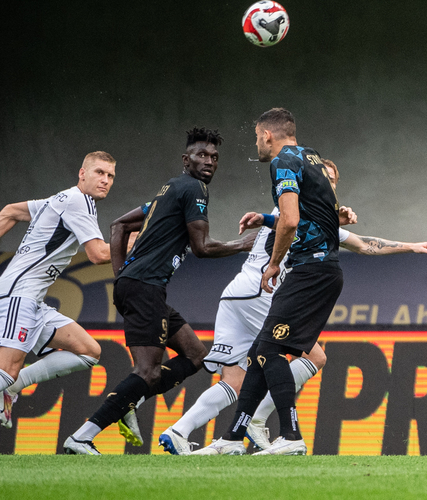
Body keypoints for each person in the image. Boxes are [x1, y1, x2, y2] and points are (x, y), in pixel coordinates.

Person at [159, 161, 427, 454]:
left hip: (236, 294)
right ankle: (259, 419)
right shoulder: (296, 205)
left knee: (235, 380)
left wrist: (410, 245)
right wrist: (333, 219)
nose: (326, 183)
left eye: (331, 180)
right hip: (261, 291)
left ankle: (178, 432)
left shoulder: (313, 215)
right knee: (313, 356)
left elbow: (362, 244)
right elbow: (295, 224)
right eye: (322, 177)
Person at [63, 128, 255, 455]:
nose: (209, 161)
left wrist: (122, 276)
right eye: (202, 155)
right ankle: (82, 436)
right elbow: (202, 247)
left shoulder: (171, 189)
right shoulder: (194, 188)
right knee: (148, 371)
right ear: (186, 159)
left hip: (143, 286)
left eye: (214, 157)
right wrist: (242, 244)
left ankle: (129, 400)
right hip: (145, 287)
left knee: (196, 355)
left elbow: (120, 226)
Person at [195, 108, 343, 456]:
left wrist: (274, 263)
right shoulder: (311, 157)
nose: (257, 145)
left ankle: (291, 435)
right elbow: (315, 212)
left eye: (256, 138)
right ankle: (232, 438)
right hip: (324, 269)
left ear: (267, 135)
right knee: (260, 351)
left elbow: (289, 220)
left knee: (269, 351)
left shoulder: (282, 162)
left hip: (310, 270)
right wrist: (265, 218)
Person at [0, 152, 116, 428]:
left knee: (88, 352)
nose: (105, 180)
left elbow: (10, 211)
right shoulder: (78, 201)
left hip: (33, 300)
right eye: (99, 172)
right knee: (7, 370)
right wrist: (143, 243)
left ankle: (13, 388)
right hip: (19, 294)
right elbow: (98, 254)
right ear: (82, 173)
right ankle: (9, 383)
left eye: (110, 176)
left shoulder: (61, 199)